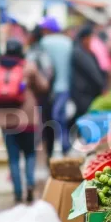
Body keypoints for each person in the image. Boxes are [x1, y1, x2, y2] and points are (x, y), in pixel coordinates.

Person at [0, 40, 49, 203]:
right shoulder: (29, 67)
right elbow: (44, 86)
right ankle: (30, 186)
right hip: (28, 120)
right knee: (30, 154)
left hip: (6, 120)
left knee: (13, 158)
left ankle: (18, 193)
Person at [39, 17, 73, 155]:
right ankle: (65, 146)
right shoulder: (68, 42)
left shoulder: (44, 42)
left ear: (47, 29)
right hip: (66, 86)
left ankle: (54, 149)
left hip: (50, 88)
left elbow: (44, 65)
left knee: (51, 119)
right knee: (61, 117)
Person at [26, 25, 55, 160]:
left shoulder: (31, 53)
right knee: (47, 125)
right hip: (45, 94)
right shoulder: (45, 52)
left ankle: (38, 155)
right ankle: (48, 154)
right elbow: (50, 72)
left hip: (35, 95)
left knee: (38, 127)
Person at [71, 26, 108, 123]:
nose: (90, 41)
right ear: (84, 38)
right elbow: (93, 71)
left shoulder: (83, 51)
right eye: (90, 38)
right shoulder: (80, 52)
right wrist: (102, 86)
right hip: (84, 94)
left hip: (86, 93)